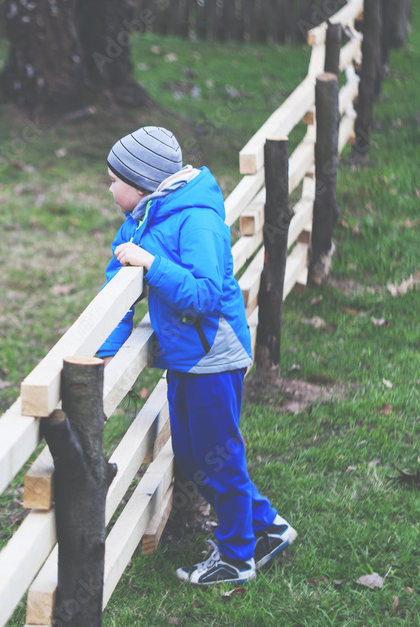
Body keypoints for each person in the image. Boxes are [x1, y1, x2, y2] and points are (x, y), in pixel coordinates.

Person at [96, 126, 297, 585]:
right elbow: (117, 291)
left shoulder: (195, 219)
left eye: (113, 180)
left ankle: (236, 557)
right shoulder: (142, 218)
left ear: (142, 180)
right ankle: (268, 527)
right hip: (184, 357)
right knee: (193, 452)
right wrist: (106, 354)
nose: (109, 188)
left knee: (216, 455)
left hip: (213, 355)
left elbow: (205, 295)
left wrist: (151, 264)